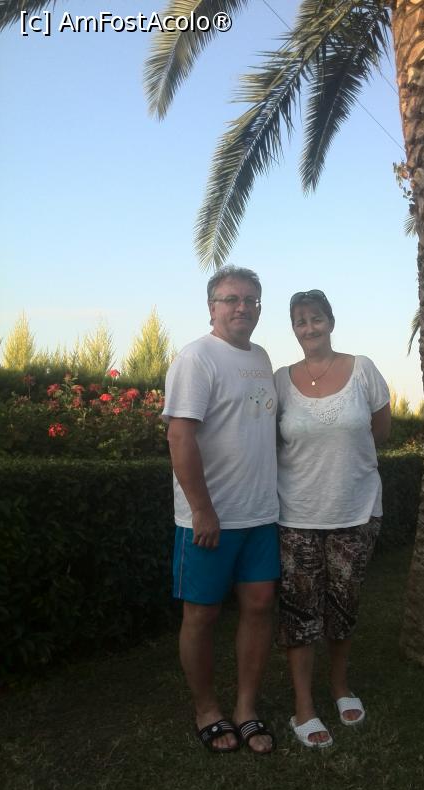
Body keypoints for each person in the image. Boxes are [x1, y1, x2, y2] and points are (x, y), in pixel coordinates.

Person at [162, 266, 279, 755]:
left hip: (261, 515)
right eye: (231, 299)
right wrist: (202, 510)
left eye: (251, 299)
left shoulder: (261, 357)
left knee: (259, 606)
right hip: (210, 519)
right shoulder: (196, 358)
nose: (242, 307)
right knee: (202, 614)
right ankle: (207, 709)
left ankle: (246, 708)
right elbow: (179, 436)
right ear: (212, 307)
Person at [274, 289, 391, 748]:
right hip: (296, 515)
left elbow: (380, 430)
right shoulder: (280, 380)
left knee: (344, 605)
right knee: (300, 611)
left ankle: (340, 687)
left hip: (355, 511)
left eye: (316, 318)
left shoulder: (363, 369)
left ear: (331, 321)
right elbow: (272, 441)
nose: (309, 328)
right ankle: (303, 707)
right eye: (300, 321)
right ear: (294, 328)